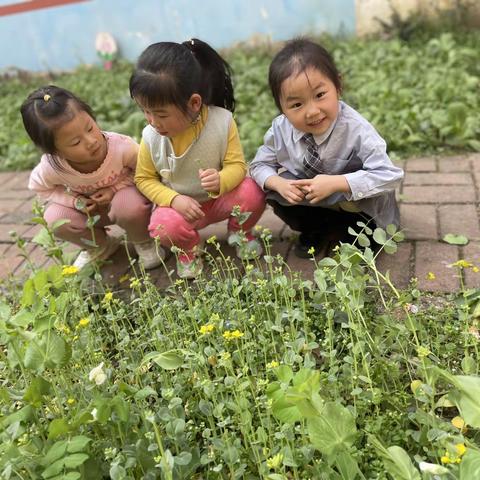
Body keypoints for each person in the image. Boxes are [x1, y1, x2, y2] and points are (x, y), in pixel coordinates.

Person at [249, 38, 404, 258]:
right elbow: (259, 165)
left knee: (363, 202)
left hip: (356, 203)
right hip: (316, 199)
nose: (312, 111)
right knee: (271, 190)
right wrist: (279, 183)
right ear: (281, 108)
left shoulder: (356, 128)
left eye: (320, 95)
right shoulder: (280, 130)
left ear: (338, 86)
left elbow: (389, 176)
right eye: (296, 104)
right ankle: (317, 229)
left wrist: (338, 182)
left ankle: (362, 234)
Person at [130, 38, 266, 279]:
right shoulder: (151, 137)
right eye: (145, 111)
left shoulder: (221, 122)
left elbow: (237, 166)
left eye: (161, 114)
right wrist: (173, 200)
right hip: (182, 208)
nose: (152, 120)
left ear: (194, 103)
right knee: (161, 226)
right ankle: (189, 249)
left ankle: (240, 233)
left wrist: (222, 179)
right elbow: (144, 179)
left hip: (221, 198)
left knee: (253, 192)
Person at [22, 85, 164, 269]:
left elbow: (147, 172)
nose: (91, 141)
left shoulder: (121, 147)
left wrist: (114, 190)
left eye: (90, 128)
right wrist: (75, 202)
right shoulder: (52, 166)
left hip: (127, 206)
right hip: (90, 213)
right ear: (54, 151)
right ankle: (100, 246)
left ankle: (143, 240)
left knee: (128, 205)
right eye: (75, 142)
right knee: (54, 219)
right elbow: (39, 187)